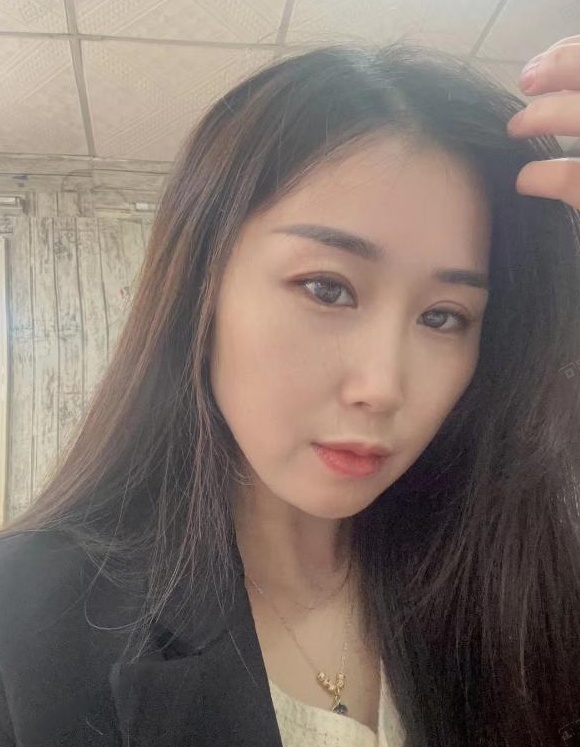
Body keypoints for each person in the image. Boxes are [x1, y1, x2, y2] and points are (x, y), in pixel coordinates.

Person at [0, 33, 579, 747]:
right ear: (202, 288)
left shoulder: (519, 581)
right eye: (327, 288)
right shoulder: (29, 616)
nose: (382, 387)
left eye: (442, 317)